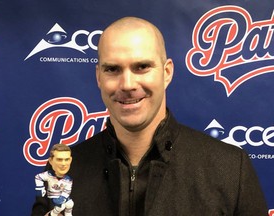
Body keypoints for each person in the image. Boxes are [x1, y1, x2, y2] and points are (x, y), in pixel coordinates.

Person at [32, 17, 268, 215]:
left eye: (142, 67)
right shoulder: (65, 168)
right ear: (98, 77)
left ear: (166, 73)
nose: (127, 84)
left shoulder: (229, 168)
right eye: (112, 69)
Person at [33, 144, 74, 216]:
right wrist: (40, 188)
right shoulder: (48, 175)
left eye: (66, 159)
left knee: (70, 204)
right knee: (60, 206)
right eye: (59, 160)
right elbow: (38, 177)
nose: (63, 164)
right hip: (52, 197)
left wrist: (62, 197)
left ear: (70, 160)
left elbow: (67, 191)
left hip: (61, 198)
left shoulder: (68, 179)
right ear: (51, 161)